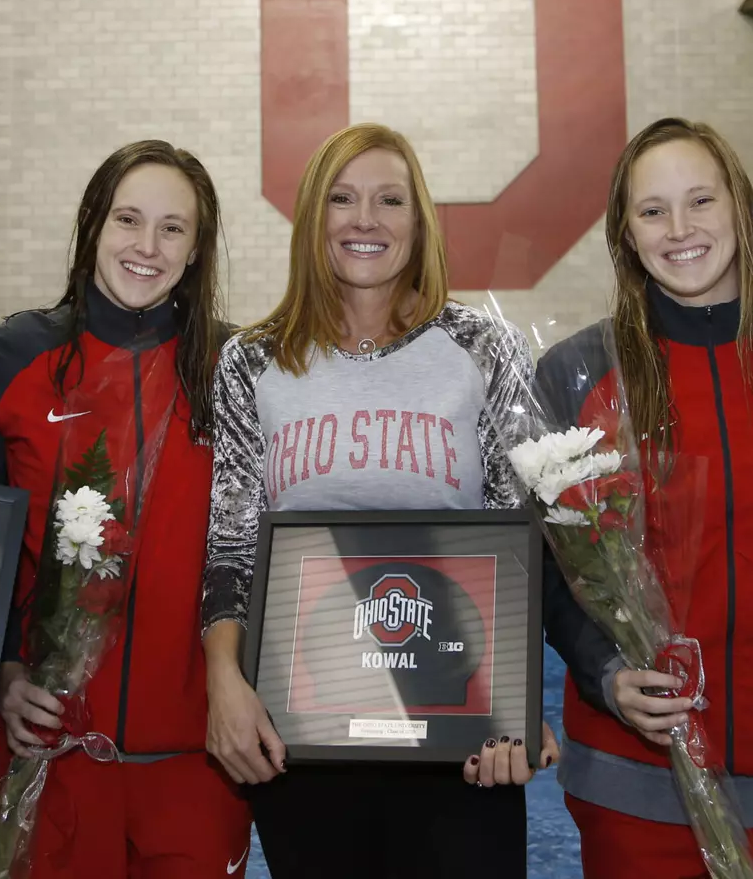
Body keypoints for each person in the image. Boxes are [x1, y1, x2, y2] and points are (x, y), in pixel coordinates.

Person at [202, 122, 558, 879]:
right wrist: (224, 682)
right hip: (308, 728)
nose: (365, 219)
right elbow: (230, 544)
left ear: (419, 221)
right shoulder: (251, 361)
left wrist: (520, 709)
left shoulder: (482, 348)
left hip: (462, 740)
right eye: (342, 199)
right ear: (311, 220)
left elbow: (519, 538)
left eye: (389, 200)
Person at [537, 118, 753, 879]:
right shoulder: (578, 373)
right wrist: (604, 674)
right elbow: (548, 567)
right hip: (633, 776)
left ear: (740, 209)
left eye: (701, 201)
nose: (679, 229)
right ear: (625, 233)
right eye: (652, 211)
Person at [0, 140, 251, 877]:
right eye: (128, 220)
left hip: (197, 768)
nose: (146, 247)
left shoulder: (240, 372)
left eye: (172, 228)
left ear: (197, 250)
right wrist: (0, 670)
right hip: (54, 757)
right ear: (94, 224)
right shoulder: (7, 360)